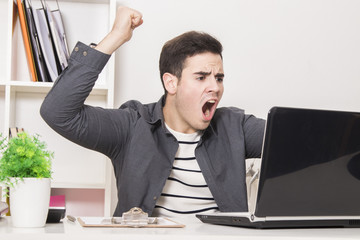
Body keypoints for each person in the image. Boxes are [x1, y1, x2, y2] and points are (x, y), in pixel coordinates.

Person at [40, 6, 265, 217]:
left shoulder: (235, 127)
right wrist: (116, 37)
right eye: (201, 77)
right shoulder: (131, 126)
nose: (215, 87)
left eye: (219, 78)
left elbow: (296, 138)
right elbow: (58, 112)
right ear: (171, 83)